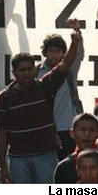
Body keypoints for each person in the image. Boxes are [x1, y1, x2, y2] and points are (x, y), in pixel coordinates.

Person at [0, 19, 83, 184]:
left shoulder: (44, 86)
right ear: (14, 72)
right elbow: (2, 134)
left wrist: (75, 41)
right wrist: (3, 165)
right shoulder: (4, 98)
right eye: (22, 70)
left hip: (46, 155)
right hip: (18, 158)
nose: (26, 74)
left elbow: (65, 64)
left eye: (29, 69)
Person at [37, 30, 84, 161]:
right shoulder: (36, 72)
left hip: (67, 127)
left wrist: (77, 35)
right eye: (51, 51)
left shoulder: (70, 70)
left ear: (64, 53)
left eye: (58, 51)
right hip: (44, 129)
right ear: (45, 52)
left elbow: (78, 54)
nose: (54, 55)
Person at [53, 113, 98, 183]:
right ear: (72, 133)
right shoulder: (64, 167)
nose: (87, 134)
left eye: (92, 130)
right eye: (82, 130)